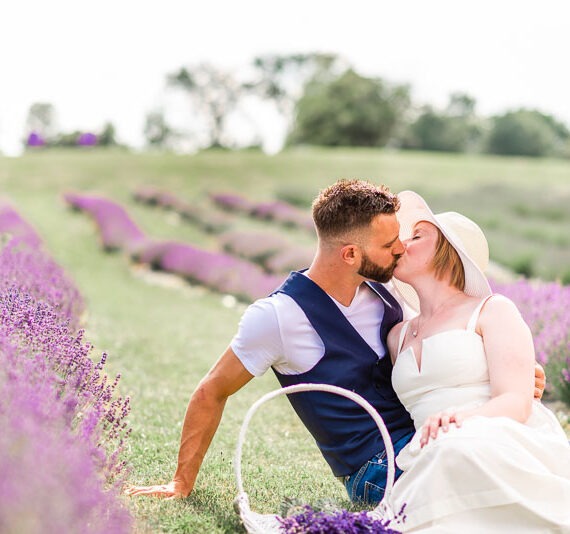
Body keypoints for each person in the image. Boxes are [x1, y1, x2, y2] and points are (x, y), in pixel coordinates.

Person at [125, 179, 545, 505]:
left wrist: (508, 372)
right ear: (349, 254)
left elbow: (442, 352)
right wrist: (181, 482)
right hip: (376, 467)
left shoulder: (386, 293)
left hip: (430, 439)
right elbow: (211, 391)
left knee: (519, 472)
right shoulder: (278, 317)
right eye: (388, 244)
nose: (400, 249)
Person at [386, 191, 570, 532]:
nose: (401, 245)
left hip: (493, 433)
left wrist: (461, 419)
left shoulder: (492, 310)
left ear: (448, 251)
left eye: (416, 236)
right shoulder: (397, 335)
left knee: (456, 453)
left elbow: (516, 400)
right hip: (430, 450)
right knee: (444, 461)